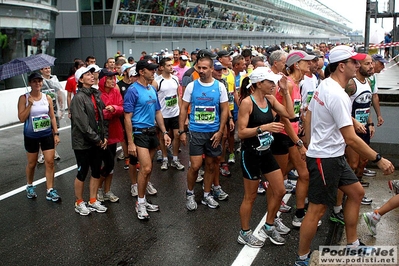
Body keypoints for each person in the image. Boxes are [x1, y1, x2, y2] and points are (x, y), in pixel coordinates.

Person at [295, 45, 395, 266]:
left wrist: (309, 144)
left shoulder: (325, 86)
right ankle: (301, 258)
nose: (358, 66)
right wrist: (379, 159)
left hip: (331, 155)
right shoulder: (337, 94)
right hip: (326, 158)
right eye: (354, 62)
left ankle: (352, 245)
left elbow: (310, 114)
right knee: (317, 209)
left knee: (356, 192)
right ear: (342, 67)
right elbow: (350, 138)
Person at [237, 67, 295, 247]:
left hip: (266, 152)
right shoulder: (247, 103)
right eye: (270, 82)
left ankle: (269, 226)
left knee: (280, 190)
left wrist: (285, 92)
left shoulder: (270, 99)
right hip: (251, 154)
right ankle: (244, 232)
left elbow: (290, 114)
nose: (273, 85)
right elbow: (241, 132)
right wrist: (264, 128)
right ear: (259, 84)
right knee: (251, 196)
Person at [179, 50, 229, 210]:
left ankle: (207, 194)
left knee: (211, 165)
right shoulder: (192, 86)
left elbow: (225, 110)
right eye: (199, 68)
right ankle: (190, 193)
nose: (201, 71)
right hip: (196, 131)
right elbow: (183, 108)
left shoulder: (219, 86)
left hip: (213, 132)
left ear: (211, 68)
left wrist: (220, 131)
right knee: (195, 165)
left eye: (205, 68)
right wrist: (181, 131)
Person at [124, 59, 171, 220]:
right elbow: (127, 117)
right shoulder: (133, 90)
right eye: (150, 70)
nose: (154, 72)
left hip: (152, 132)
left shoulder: (151, 88)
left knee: (149, 169)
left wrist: (164, 132)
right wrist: (130, 142)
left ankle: (143, 199)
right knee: (146, 168)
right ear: (142, 72)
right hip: (139, 133)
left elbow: (158, 112)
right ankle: (140, 203)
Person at [71, 66, 109, 215]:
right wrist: (97, 139)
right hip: (83, 143)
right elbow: (82, 124)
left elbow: (102, 117)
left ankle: (93, 200)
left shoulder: (95, 94)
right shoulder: (78, 98)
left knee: (96, 170)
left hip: (97, 140)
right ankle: (79, 202)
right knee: (82, 172)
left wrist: (104, 136)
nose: (91, 76)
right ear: (80, 80)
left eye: (91, 74)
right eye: (87, 74)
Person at [17, 73, 61, 202]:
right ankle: (29, 185)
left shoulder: (47, 97)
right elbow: (21, 118)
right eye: (34, 81)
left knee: (50, 161)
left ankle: (50, 190)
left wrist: (56, 133)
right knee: (32, 163)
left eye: (39, 81)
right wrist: (29, 105)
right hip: (31, 135)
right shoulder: (24, 98)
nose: (38, 84)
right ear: (30, 83)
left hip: (46, 134)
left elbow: (52, 116)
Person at [97, 68, 124, 203]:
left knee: (110, 163)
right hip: (102, 133)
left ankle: (107, 190)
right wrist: (110, 112)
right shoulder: (97, 94)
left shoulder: (116, 92)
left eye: (113, 78)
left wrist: (114, 108)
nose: (112, 81)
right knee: (105, 162)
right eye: (109, 78)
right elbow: (98, 114)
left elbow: (121, 107)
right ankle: (98, 188)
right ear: (102, 80)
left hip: (114, 131)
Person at [155, 57, 184, 171]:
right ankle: (165, 158)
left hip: (175, 113)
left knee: (177, 136)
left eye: (171, 65)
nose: (171, 67)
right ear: (161, 67)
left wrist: (181, 112)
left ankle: (175, 159)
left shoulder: (175, 79)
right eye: (168, 65)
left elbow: (178, 96)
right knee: (163, 137)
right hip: (163, 114)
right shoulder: (157, 81)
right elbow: (154, 99)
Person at [38, 66, 65, 163]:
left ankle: (53, 151)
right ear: (41, 70)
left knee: (54, 130)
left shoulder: (54, 80)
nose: (47, 70)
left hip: (54, 109)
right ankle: (42, 153)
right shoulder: (39, 81)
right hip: (43, 109)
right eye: (45, 69)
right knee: (43, 130)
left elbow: (59, 94)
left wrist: (61, 109)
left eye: (48, 68)